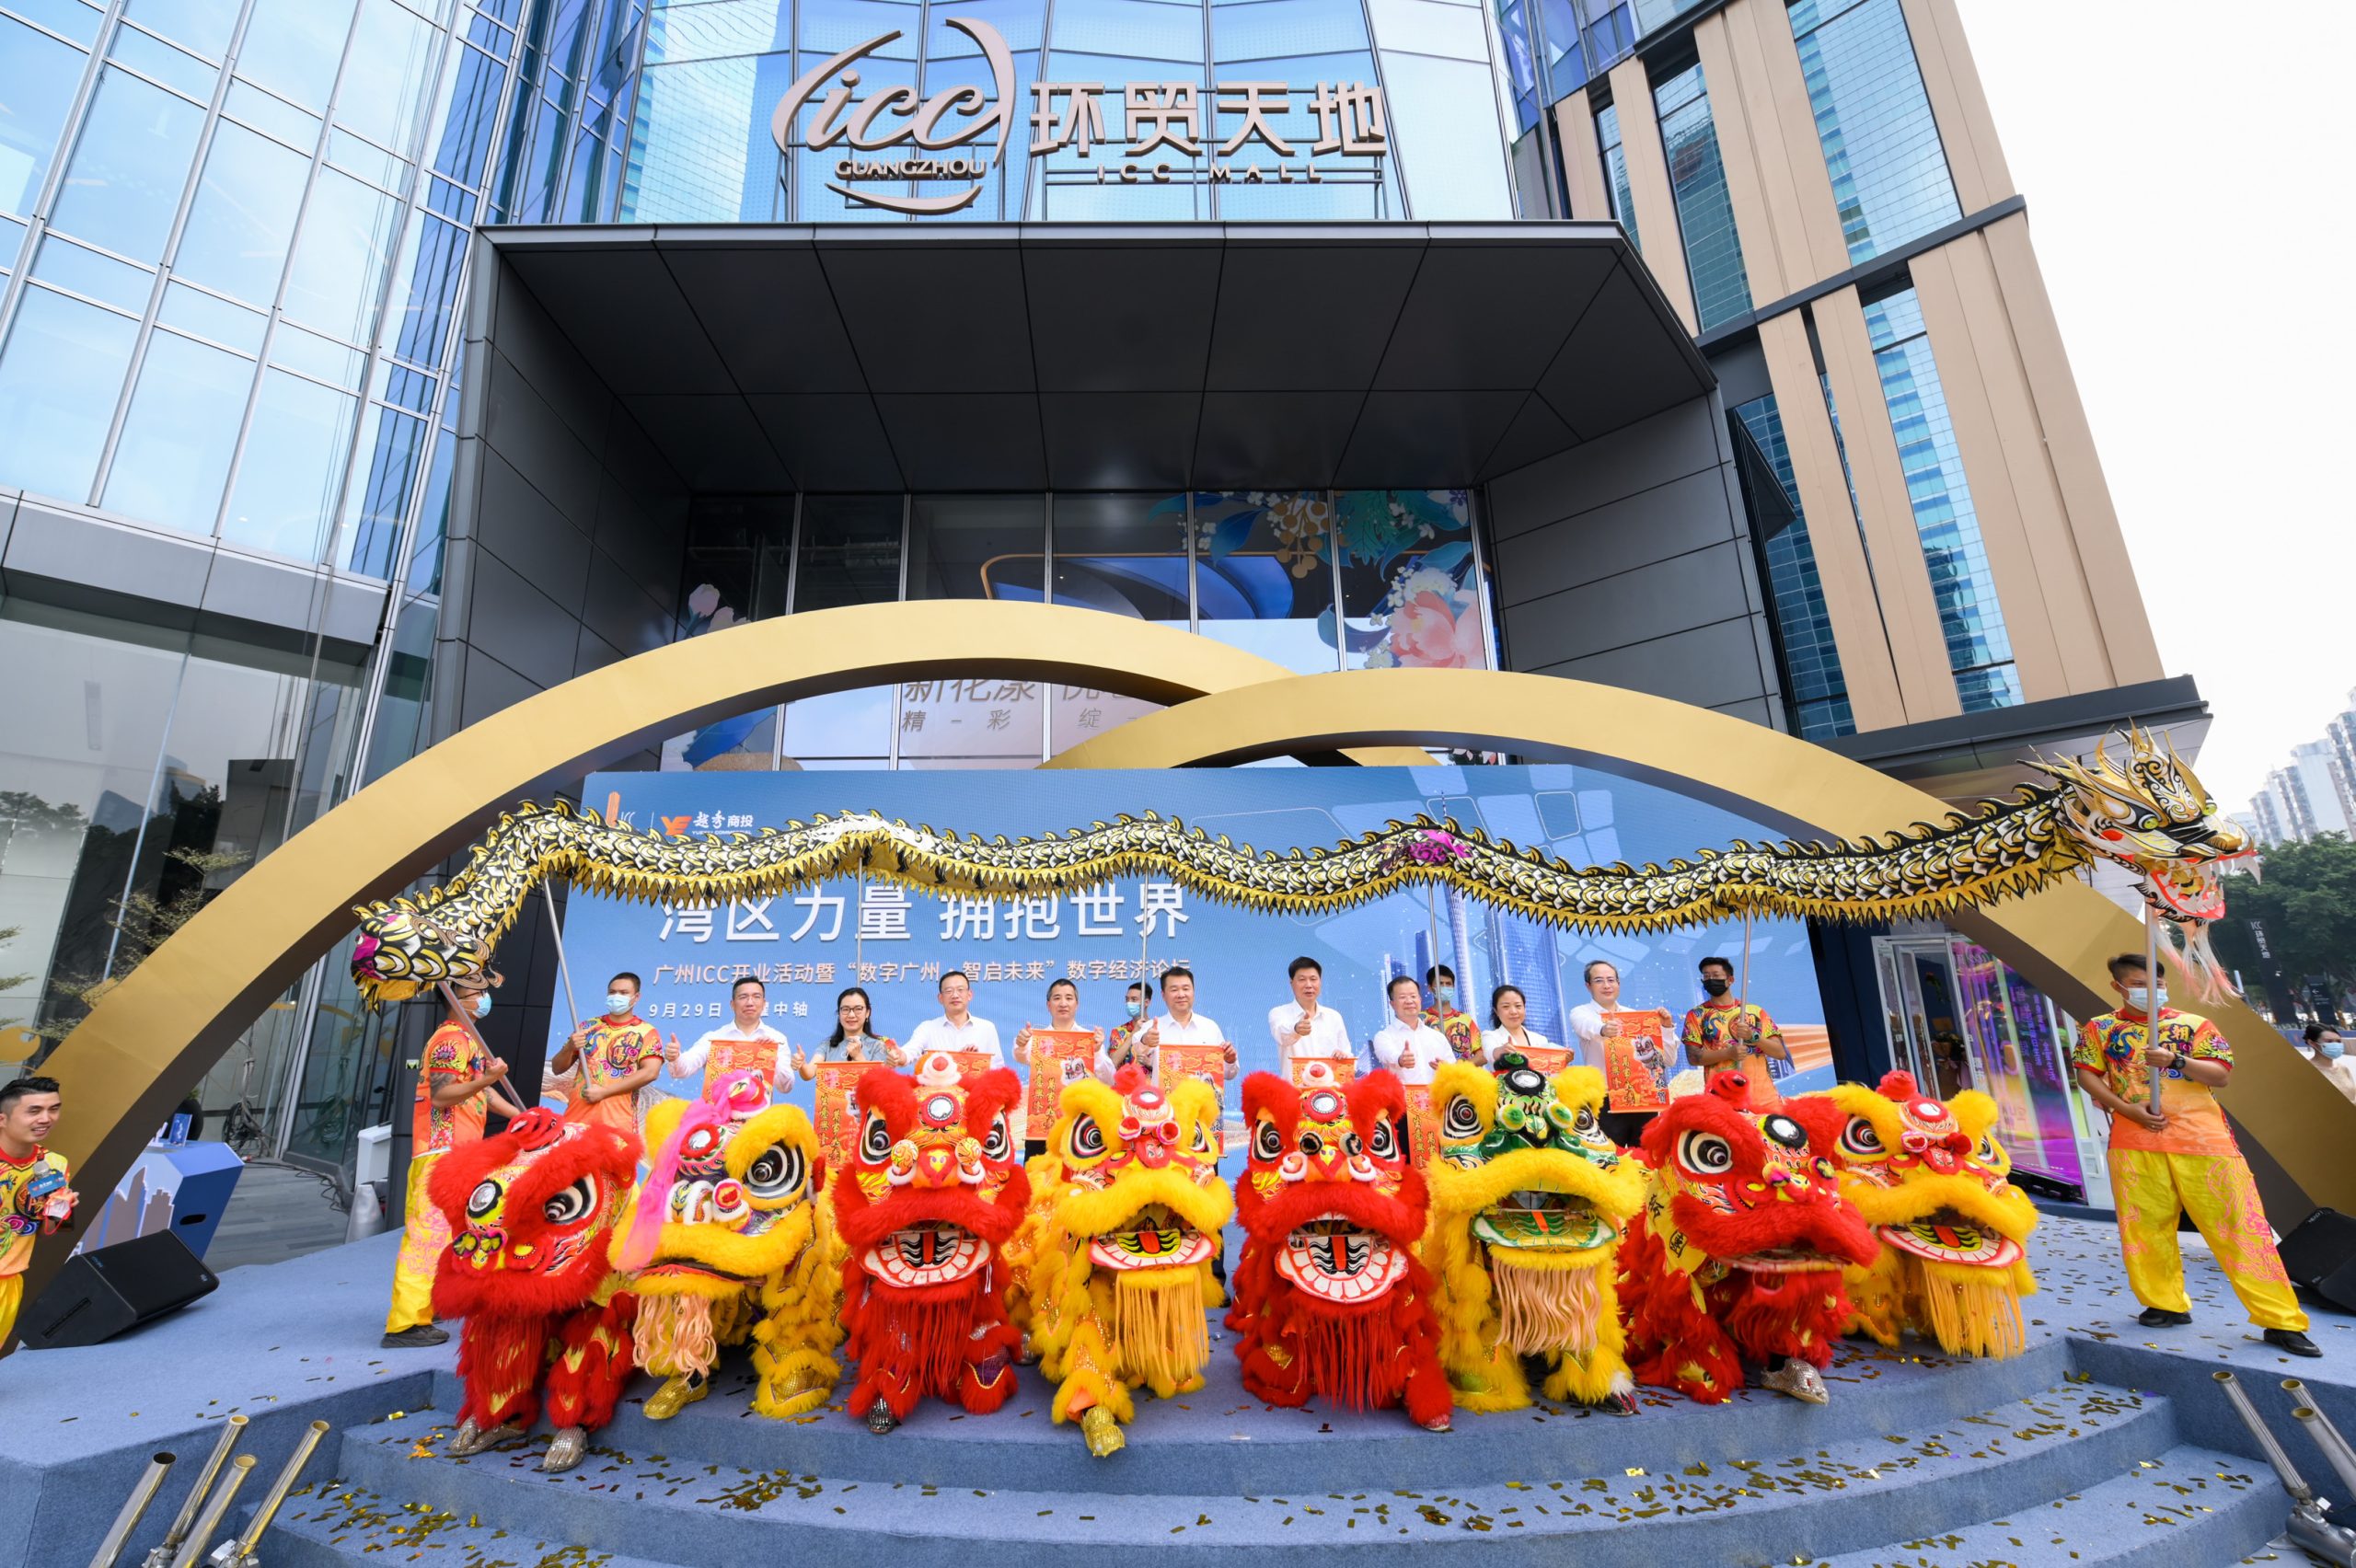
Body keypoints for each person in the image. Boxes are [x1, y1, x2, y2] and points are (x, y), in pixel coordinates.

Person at [2071, 951, 2318, 1355]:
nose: (2149, 991)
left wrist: (2176, 1060)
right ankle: (2164, 1303)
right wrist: (2125, 1109)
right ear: (2118, 986)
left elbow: (2221, 1075)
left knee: (2241, 1229)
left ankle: (2280, 1321)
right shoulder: (2100, 1028)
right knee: (2145, 1230)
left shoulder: (2194, 1025)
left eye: (2156, 983)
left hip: (2204, 1143)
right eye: (2137, 984)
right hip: (2134, 1143)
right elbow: (2087, 1074)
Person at [386, 971, 527, 1348]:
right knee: (428, 1236)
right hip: (440, 1151)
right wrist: (487, 1079)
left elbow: (481, 1095)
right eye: (477, 992)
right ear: (457, 999)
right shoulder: (451, 1039)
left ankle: (428, 1306)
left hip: (459, 1153)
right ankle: (405, 1323)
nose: (484, 997)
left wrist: (521, 1116)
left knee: (452, 1234)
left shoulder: (469, 1039)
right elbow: (443, 1095)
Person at [0, 1076, 75, 1350]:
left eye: (53, 1109)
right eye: (34, 1111)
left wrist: (59, 1213)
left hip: (9, 1281)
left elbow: (47, 1231)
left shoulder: (55, 1165)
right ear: (2, 1119)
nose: (46, 1119)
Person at [1568, 961, 1676, 1145]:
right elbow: (1586, 1027)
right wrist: (1604, 1029)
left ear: (1618, 983)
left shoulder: (1636, 1016)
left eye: (1611, 980)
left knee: (1643, 1155)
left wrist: (1665, 1028)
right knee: (1609, 1155)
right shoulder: (1581, 1013)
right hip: (1605, 1100)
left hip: (1642, 1098)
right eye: (1599, 981)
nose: (1606, 985)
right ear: (1588, 986)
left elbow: (1668, 1060)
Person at [550, 971, 667, 1136]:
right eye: (612, 992)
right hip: (576, 1120)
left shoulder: (647, 1032)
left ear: (636, 997)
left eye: (623, 993)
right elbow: (557, 1068)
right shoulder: (588, 1027)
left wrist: (604, 1092)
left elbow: (651, 1072)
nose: (616, 996)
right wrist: (569, 1047)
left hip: (617, 1122)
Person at [1680, 956, 1785, 1112]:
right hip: (1722, 1100)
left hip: (1764, 1099)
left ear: (1730, 980)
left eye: (1716, 975)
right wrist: (1728, 1053)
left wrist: (1753, 1036)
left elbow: (1780, 1053)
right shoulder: (1696, 1015)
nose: (1710, 980)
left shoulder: (1755, 1011)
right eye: (1706, 976)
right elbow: (1694, 1058)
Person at [668, 976, 790, 1101]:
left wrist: (772, 1058)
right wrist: (675, 1057)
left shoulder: (777, 1039)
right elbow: (683, 1069)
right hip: (718, 1111)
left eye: (756, 997)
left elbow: (786, 1086)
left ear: (764, 1004)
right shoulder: (714, 1038)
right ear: (732, 1004)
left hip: (759, 1111)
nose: (750, 1002)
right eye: (743, 997)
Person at [1018, 978, 1103, 1155]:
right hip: (1042, 1128)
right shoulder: (1036, 1038)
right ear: (1048, 1005)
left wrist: (1098, 1051)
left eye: (1069, 998)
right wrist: (1022, 1044)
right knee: (1037, 1171)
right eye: (1057, 998)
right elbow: (1020, 1056)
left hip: (1079, 1125)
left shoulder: (1090, 1039)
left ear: (1077, 1004)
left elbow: (1108, 1078)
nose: (1063, 1003)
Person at [1136, 966, 1238, 1081]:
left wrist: (1229, 1061)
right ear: (1163, 995)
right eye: (1174, 990)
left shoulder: (1210, 1027)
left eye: (1186, 989)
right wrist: (1145, 1040)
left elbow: (1229, 1074)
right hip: (1165, 1093)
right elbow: (1136, 1050)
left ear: (1193, 992)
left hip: (1203, 1093)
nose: (1181, 994)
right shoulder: (1152, 1028)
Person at [903, 969, 1005, 1069]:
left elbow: (998, 1068)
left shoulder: (987, 1028)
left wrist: (975, 1063)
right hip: (937, 1081)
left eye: (960, 990)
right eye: (949, 991)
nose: (955, 995)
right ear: (940, 998)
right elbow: (910, 1052)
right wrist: (899, 1056)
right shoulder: (927, 1028)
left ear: (969, 995)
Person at [1267, 956, 1353, 1074]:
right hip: (1294, 1085)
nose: (1308, 985)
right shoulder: (1279, 1013)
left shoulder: (1334, 1016)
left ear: (1320, 982)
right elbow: (1282, 1036)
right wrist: (1296, 1029)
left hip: (1329, 1085)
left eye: (1313, 979)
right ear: (1291, 983)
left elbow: (1347, 1055)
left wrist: (1343, 1056)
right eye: (1302, 979)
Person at [797, 986, 895, 1079]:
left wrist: (858, 1057)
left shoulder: (878, 1046)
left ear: (867, 1013)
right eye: (845, 1009)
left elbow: (878, 1081)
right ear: (839, 1014)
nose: (851, 1015)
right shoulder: (828, 1045)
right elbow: (808, 1073)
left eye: (858, 1009)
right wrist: (802, 1064)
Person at [1371, 975, 1452, 1085]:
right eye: (1402, 997)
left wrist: (1447, 1070)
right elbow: (1388, 1055)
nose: (1409, 1001)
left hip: (1436, 1095)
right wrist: (1400, 1059)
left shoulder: (1437, 1037)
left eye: (1413, 996)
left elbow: (1453, 1070)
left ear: (1420, 1000)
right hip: (1403, 1095)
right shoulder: (1384, 1037)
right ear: (1392, 1004)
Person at [1480, 982, 1560, 1066]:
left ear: (1524, 1008)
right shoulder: (1489, 1036)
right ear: (1496, 1011)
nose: (1513, 1012)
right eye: (1506, 1007)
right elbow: (1489, 1053)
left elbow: (1548, 1067)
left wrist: (1562, 1060)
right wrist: (1500, 1051)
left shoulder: (1540, 1039)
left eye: (1518, 1006)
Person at [1422, 965, 1477, 1062]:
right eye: (1440, 984)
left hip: (1461, 1071)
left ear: (1453, 987)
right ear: (1430, 988)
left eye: (1448, 984)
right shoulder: (1420, 1019)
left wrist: (1456, 1068)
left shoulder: (1466, 1019)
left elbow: (1481, 1056)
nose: (1445, 987)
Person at [1101, 980, 1153, 1080]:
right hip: (1124, 1087)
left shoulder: (1156, 1030)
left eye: (1134, 999)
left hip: (1149, 1087)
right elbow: (1113, 1062)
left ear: (1146, 1002)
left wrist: (1150, 1063)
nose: (1129, 1003)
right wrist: (1133, 1033)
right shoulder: (1118, 1032)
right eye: (1127, 999)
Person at [2299, 1024, 2356, 1105]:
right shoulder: (2305, 1070)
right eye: (2329, 1041)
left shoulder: (2343, 1068)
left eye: (2338, 1041)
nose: (2336, 1045)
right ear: (2312, 1043)